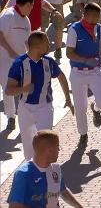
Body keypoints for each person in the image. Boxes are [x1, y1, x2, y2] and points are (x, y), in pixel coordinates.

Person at [5, 31, 73, 160]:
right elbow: (8, 90)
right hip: (25, 110)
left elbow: (61, 76)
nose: (49, 46)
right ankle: (32, 174)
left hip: (45, 108)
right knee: (28, 149)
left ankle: (47, 173)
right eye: (47, 43)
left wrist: (68, 99)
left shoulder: (49, 62)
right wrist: (23, 88)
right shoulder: (19, 63)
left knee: (45, 143)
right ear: (38, 46)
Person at [66, 2, 101, 149]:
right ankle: (83, 135)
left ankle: (96, 109)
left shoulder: (98, 28)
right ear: (86, 15)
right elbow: (69, 53)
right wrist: (85, 59)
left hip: (95, 71)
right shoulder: (74, 29)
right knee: (80, 107)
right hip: (78, 73)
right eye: (96, 16)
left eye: (99, 16)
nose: (98, 19)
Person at [7, 130, 83, 207]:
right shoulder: (23, 174)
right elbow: (14, 205)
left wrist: (79, 207)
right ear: (49, 151)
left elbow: (63, 192)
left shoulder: (56, 169)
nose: (59, 150)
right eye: (57, 147)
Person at [0, 0, 34, 131]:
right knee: (8, 89)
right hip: (5, 60)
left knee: (26, 87)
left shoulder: (26, 20)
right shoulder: (8, 15)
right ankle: (10, 117)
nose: (32, 8)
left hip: (21, 61)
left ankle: (27, 115)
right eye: (31, 5)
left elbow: (27, 41)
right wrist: (11, 52)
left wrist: (32, 55)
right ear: (25, 4)